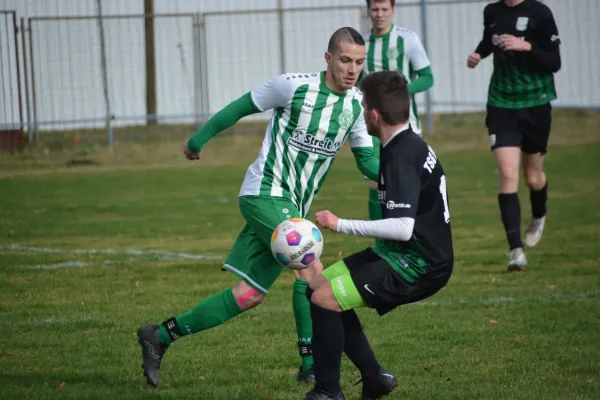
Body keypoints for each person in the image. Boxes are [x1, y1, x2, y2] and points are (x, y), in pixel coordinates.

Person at [136, 27, 379, 389]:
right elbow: (241, 106)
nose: (352, 69)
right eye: (345, 60)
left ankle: (160, 335)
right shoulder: (293, 86)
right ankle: (323, 367)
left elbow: (366, 158)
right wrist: (197, 140)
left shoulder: (355, 105)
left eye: (359, 62)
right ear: (328, 58)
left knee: (248, 295)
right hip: (264, 193)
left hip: (291, 207)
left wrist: (401, 173)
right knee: (310, 263)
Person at [303, 70, 454, 400]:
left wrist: (339, 223)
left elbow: (402, 227)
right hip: (399, 252)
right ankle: (375, 378)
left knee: (325, 300)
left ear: (373, 114)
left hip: (418, 264)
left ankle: (328, 392)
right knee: (314, 287)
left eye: (363, 104)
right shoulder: (405, 143)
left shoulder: (401, 155)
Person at [467, 0, 561, 270]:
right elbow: (490, 40)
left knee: (533, 178)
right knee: (508, 175)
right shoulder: (492, 11)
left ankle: (539, 214)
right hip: (501, 104)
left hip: (536, 103)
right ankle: (515, 252)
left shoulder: (540, 13)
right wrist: (478, 54)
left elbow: (554, 62)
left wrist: (527, 46)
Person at [360, 0, 434, 222]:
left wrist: (398, 92)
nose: (379, 14)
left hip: (404, 123)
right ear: (368, 11)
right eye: (375, 9)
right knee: (378, 182)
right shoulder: (362, 42)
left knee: (407, 180)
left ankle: (414, 235)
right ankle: (381, 241)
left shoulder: (407, 39)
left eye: (384, 10)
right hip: (373, 125)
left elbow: (427, 77)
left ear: (393, 11)